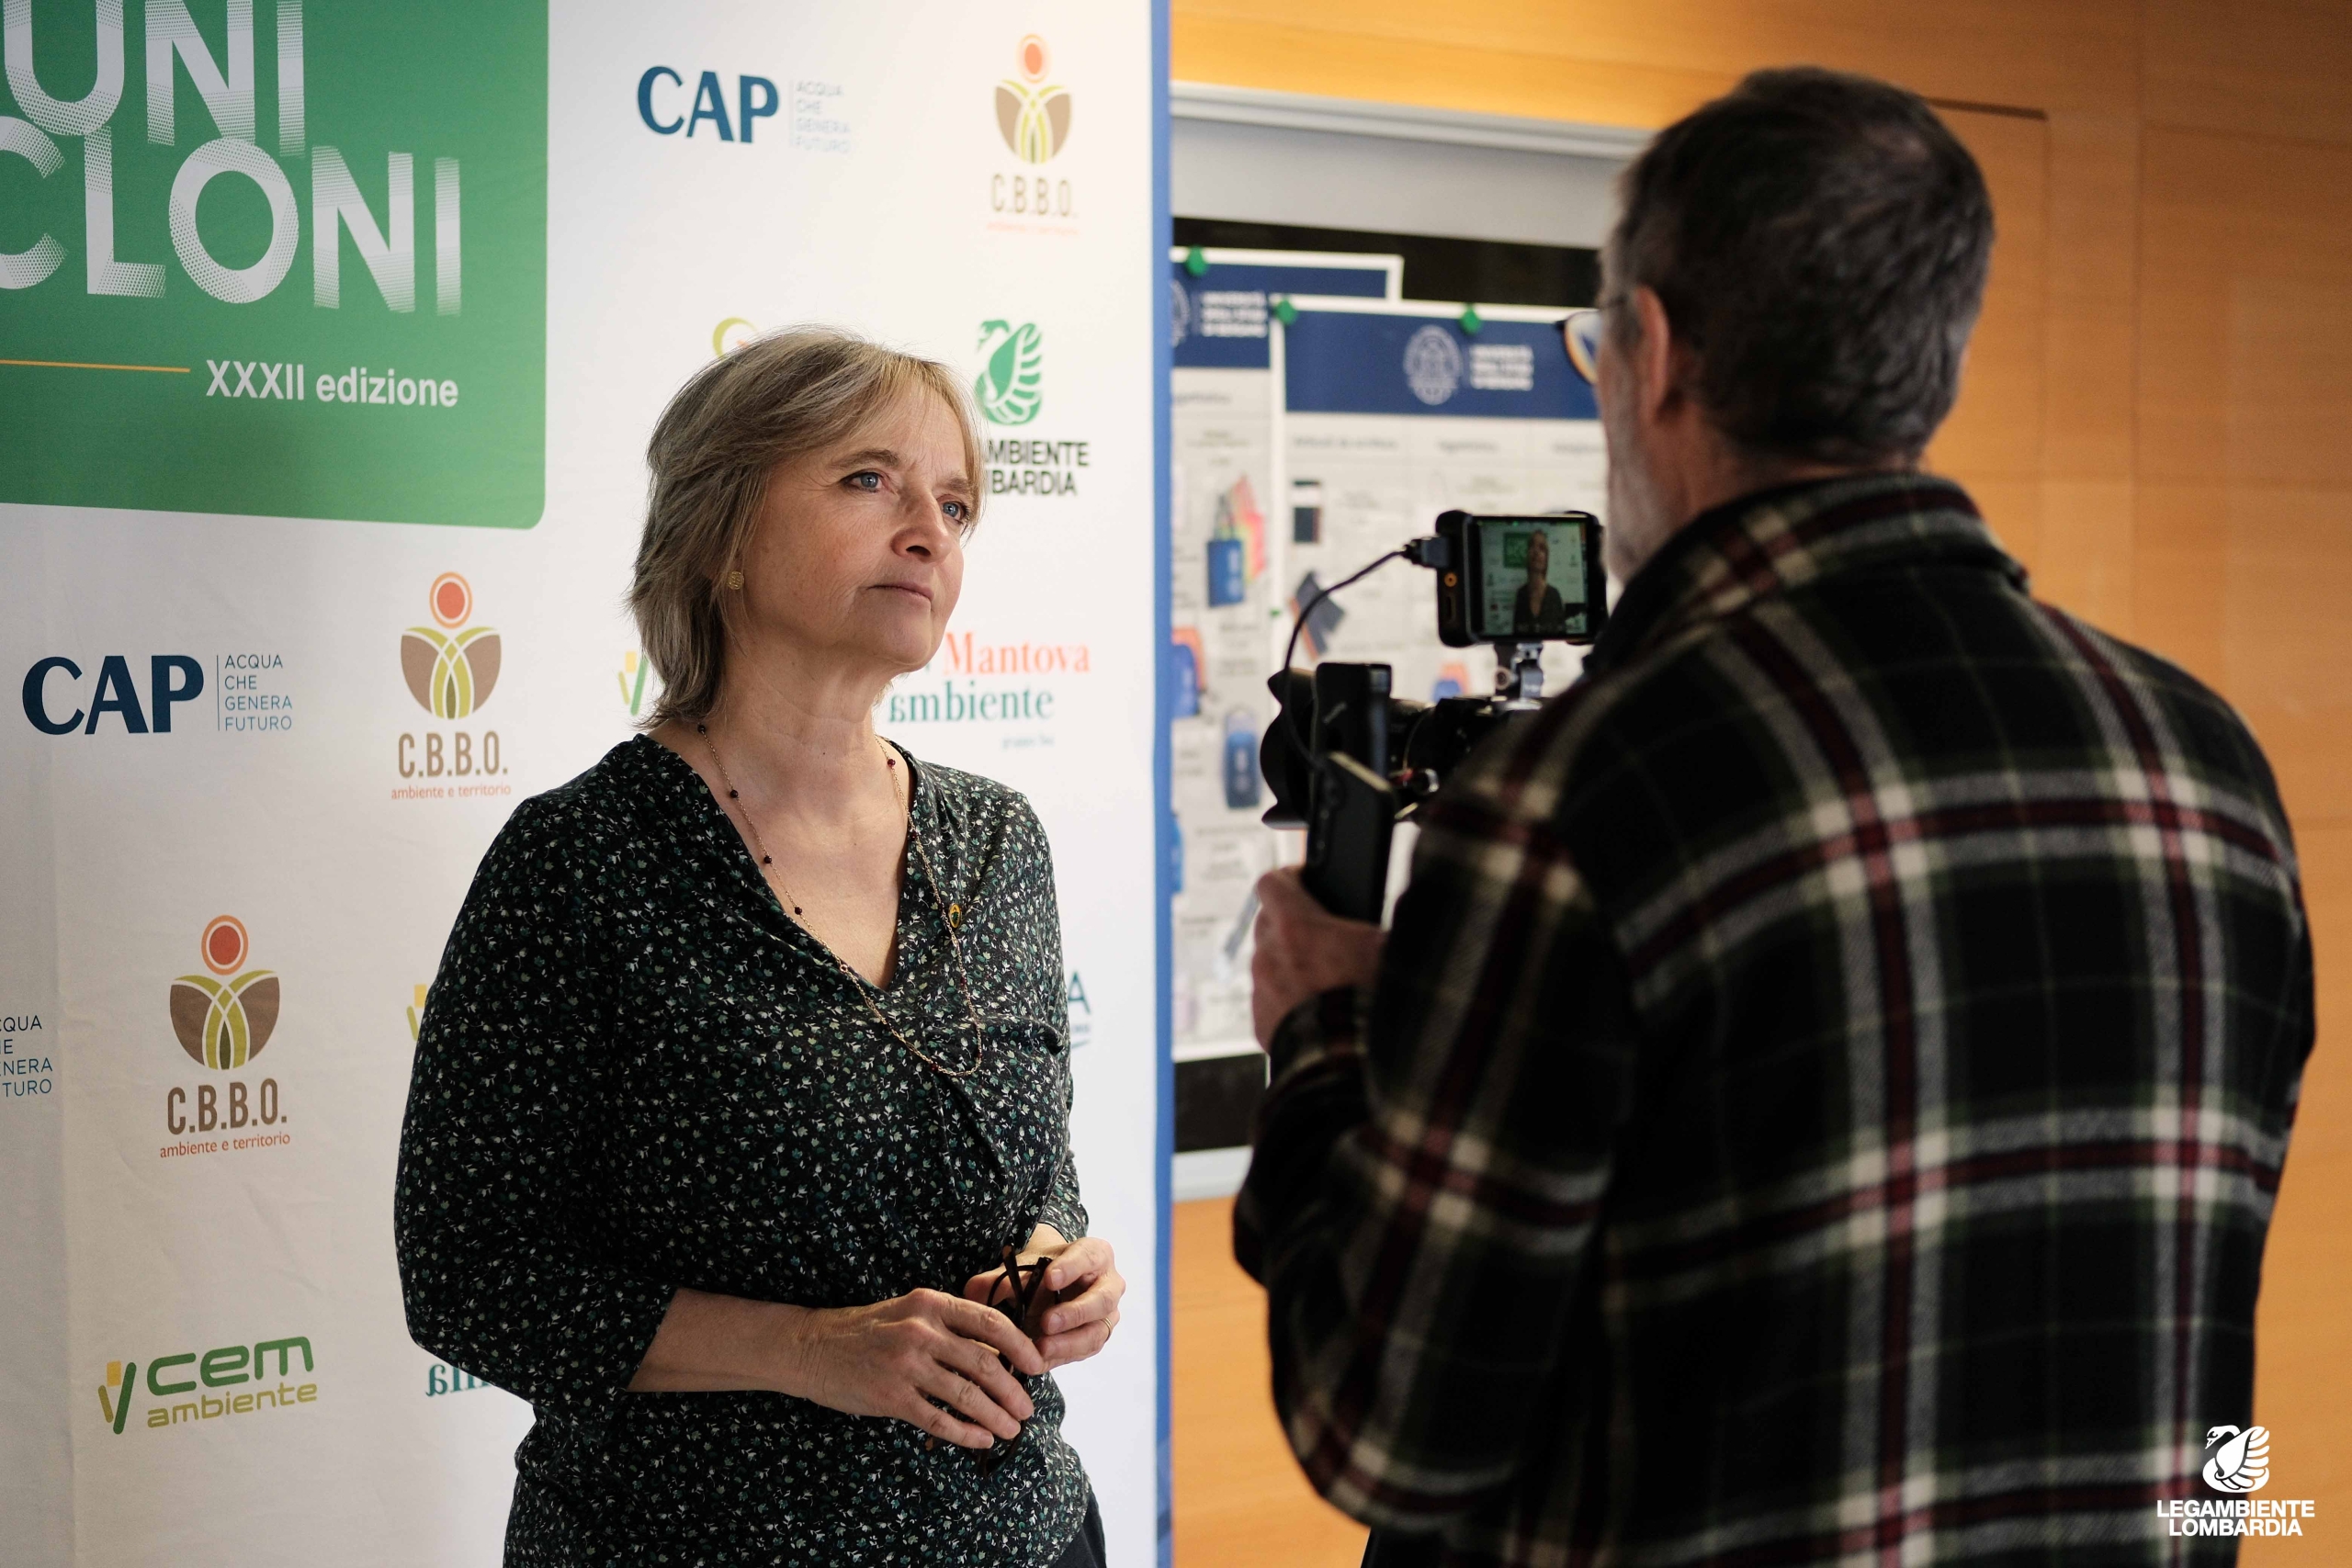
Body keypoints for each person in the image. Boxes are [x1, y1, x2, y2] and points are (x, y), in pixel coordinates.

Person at [1239, 67, 2312, 1568]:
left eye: (1594, 346)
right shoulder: (2208, 772)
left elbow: (1388, 1424)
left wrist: (1325, 1034)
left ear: (1655, 351)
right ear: (1929, 367)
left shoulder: (1585, 797)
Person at [395, 328, 1123, 1567]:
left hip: (1020, 1531)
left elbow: (1034, 1169)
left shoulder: (999, 839)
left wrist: (1054, 1262)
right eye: (869, 480)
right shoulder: (582, 859)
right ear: (721, 535)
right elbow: (469, 1277)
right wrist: (811, 1349)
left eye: (954, 504)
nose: (930, 534)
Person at [1509, 528, 1566, 636]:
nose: (1536, 551)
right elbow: (1516, 635)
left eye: (1541, 548)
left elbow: (1562, 636)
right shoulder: (1521, 594)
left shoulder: (1554, 595)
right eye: (1532, 546)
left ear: (1546, 558)